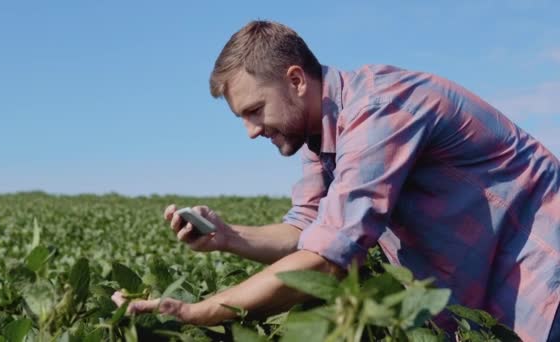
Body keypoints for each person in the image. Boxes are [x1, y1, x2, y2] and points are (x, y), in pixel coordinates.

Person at [112, 20, 560, 341]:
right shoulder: (319, 137)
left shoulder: (380, 108)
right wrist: (228, 237)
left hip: (544, 278)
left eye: (254, 111)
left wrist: (200, 312)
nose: (251, 130)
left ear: (295, 80)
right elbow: (305, 230)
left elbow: (330, 256)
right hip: (497, 300)